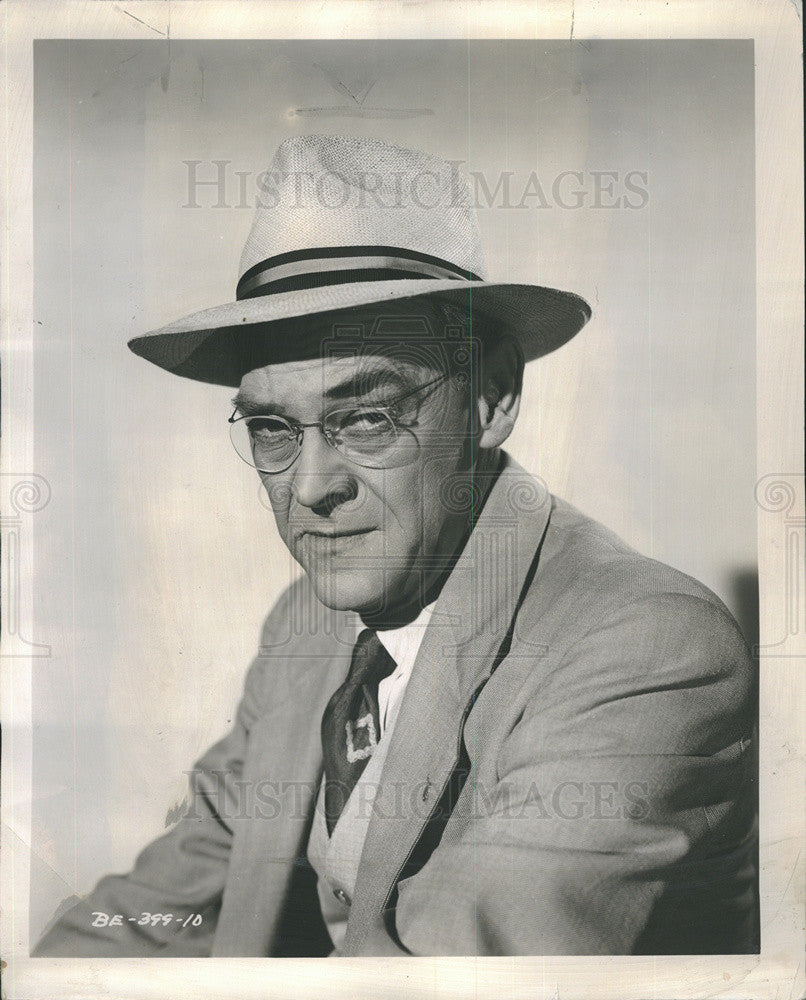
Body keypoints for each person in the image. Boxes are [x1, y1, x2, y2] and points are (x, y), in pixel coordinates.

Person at [33, 134, 758, 957]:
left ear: (491, 400)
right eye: (272, 427)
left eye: (367, 417)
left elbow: (443, 976)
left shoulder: (645, 645)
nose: (310, 488)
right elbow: (167, 907)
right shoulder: (307, 623)